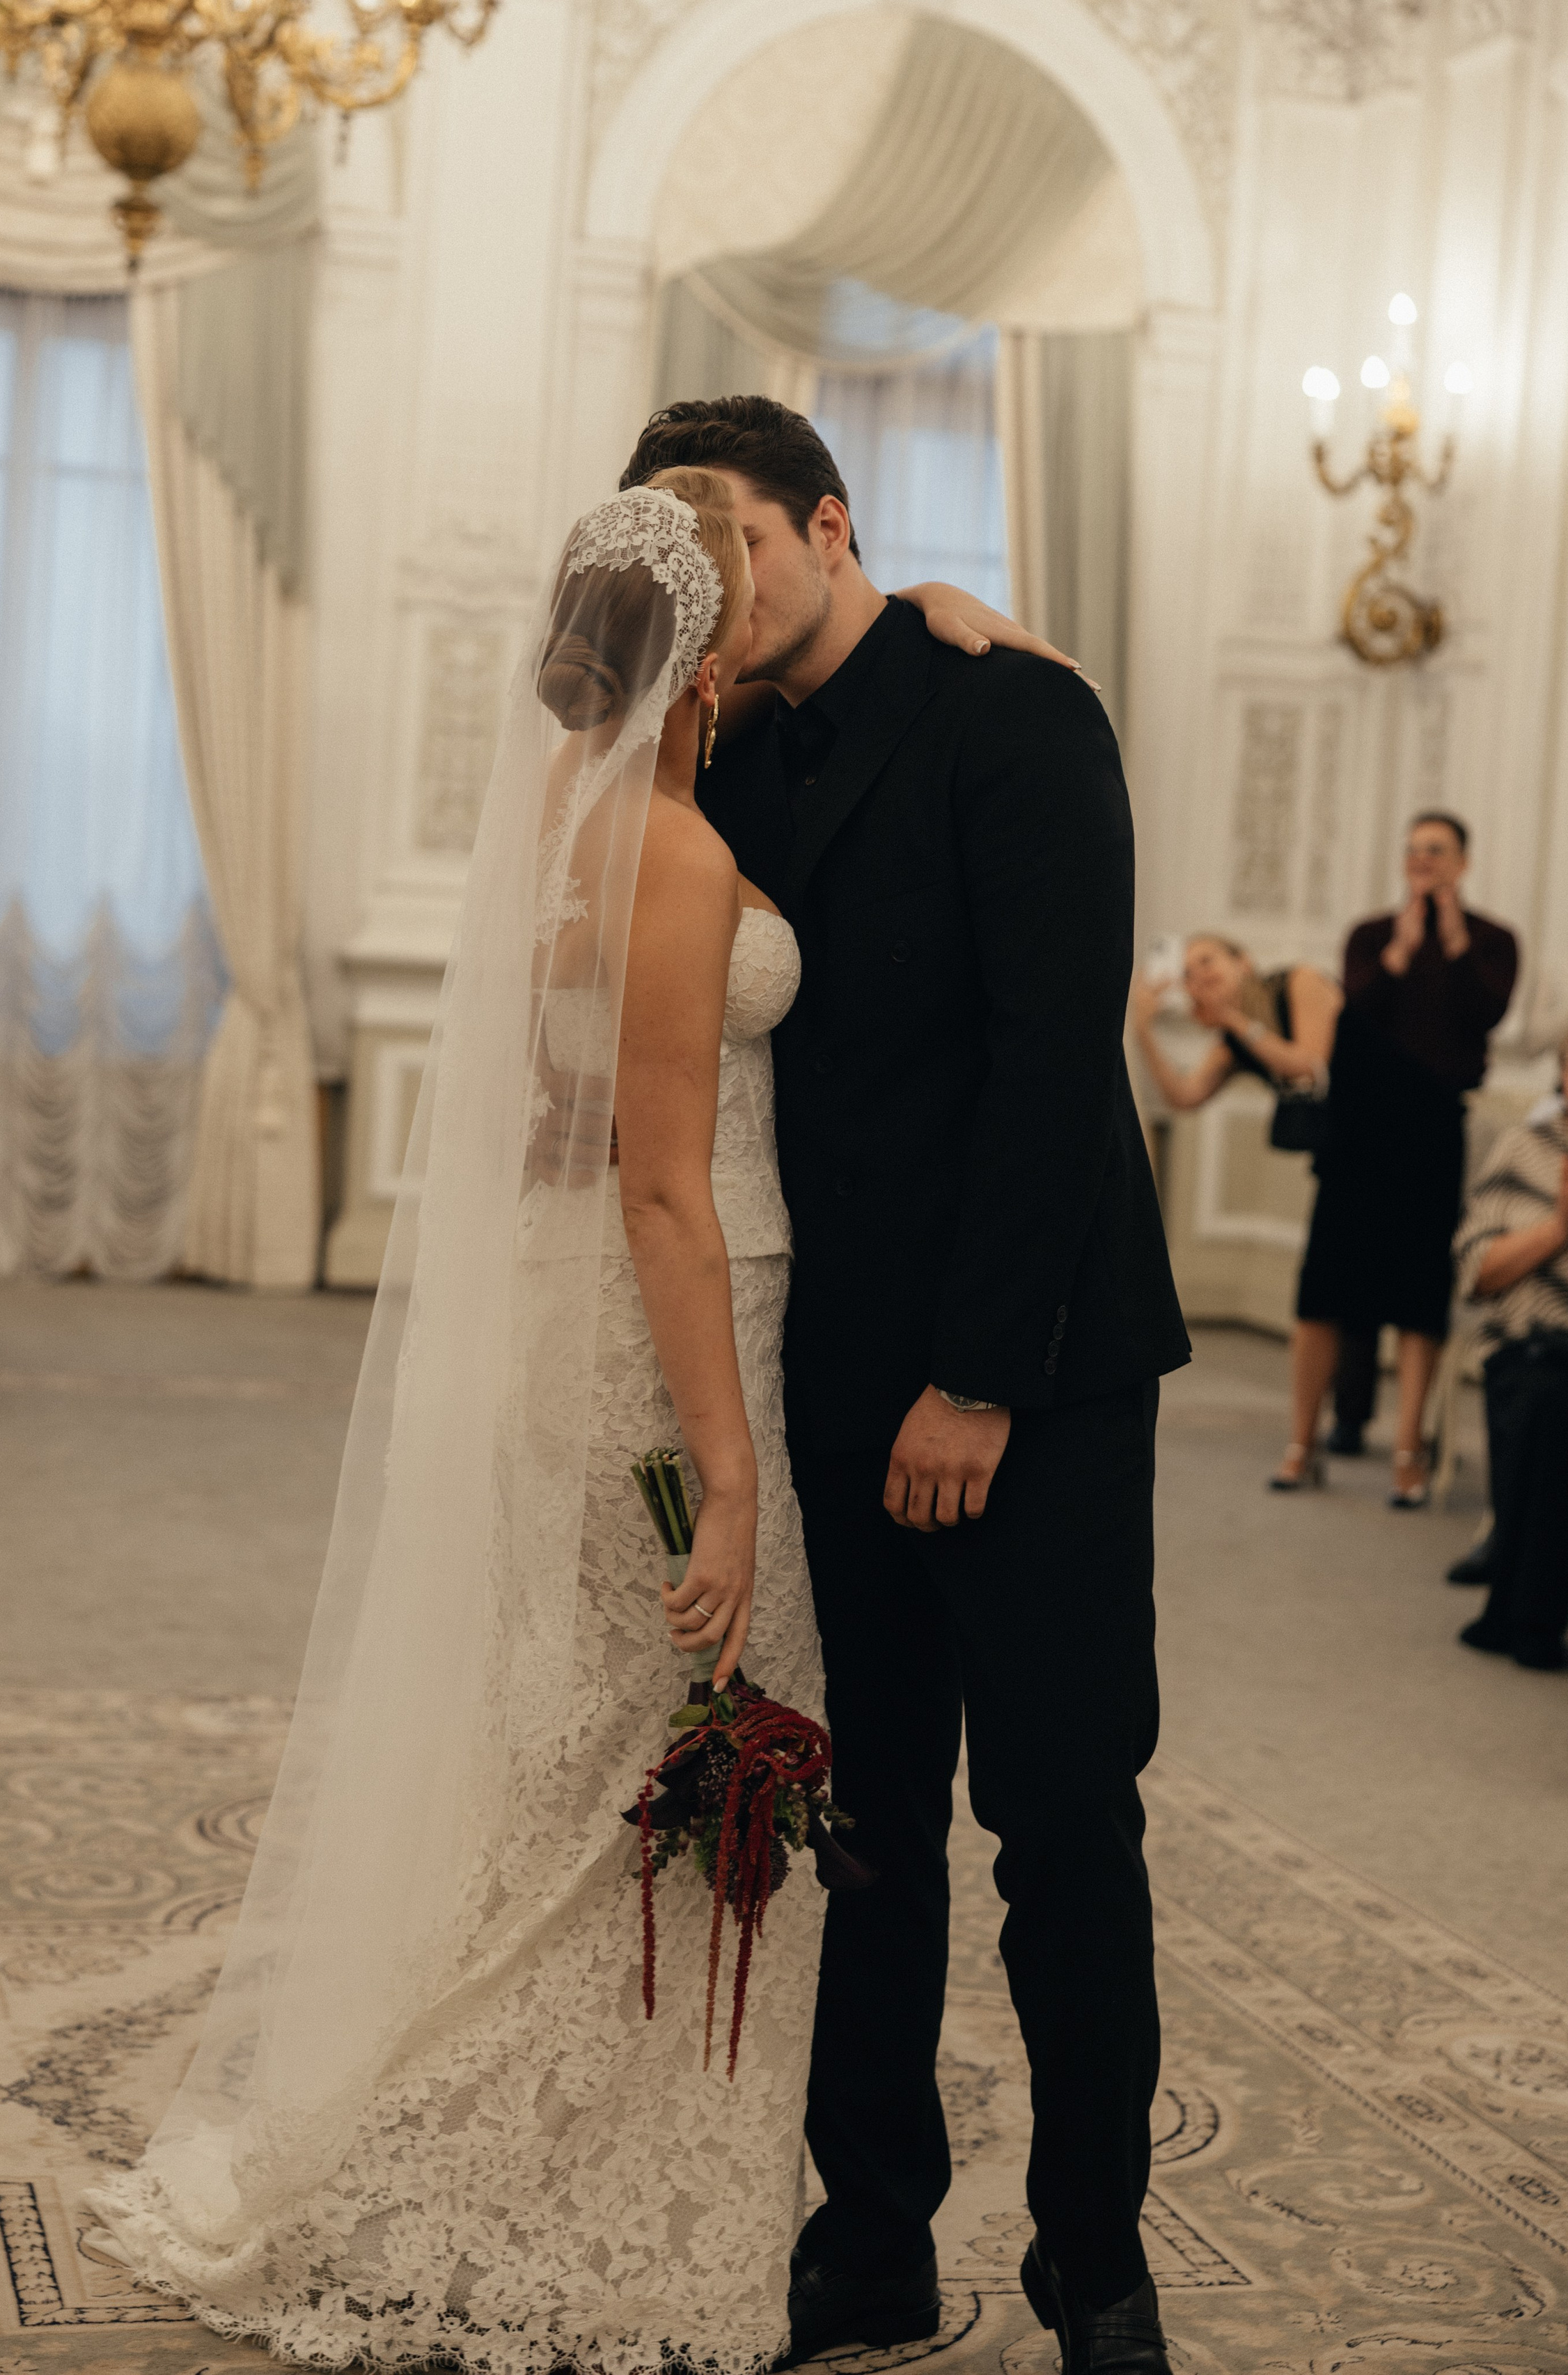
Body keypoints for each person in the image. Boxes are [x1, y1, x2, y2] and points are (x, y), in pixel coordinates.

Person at [84, 480, 1053, 2369]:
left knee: (569, 1744)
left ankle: (542, 2129)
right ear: (702, 651)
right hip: (682, 1331)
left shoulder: (555, 812)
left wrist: (947, 605)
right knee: (657, 1746)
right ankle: (579, 2181)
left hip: (561, 1329)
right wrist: (735, 1477)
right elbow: (665, 1192)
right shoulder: (681, 855)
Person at [621, 396, 1191, 2375]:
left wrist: (975, 1383)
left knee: (1062, 1825)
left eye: (746, 549)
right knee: (866, 1829)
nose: (721, 588)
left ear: (832, 527)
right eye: (689, 561)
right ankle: (870, 2241)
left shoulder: (1022, 717)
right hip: (832, 1373)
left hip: (1029, 1378)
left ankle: (1094, 2263)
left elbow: (1053, 1070)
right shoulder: (734, 755)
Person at [1275, 813, 1518, 1504]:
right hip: (1359, 1131)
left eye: (1435, 851)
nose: (1422, 861)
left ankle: (1409, 1454)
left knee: (1416, 1291)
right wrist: (1399, 954)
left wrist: (1450, 940)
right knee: (1325, 1285)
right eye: (1412, 851)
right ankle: (1304, 1443)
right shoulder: (1370, 935)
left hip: (1433, 1130)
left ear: (1461, 862)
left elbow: (1485, 1016)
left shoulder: (1493, 941)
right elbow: (1352, 1014)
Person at [1452, 1033, 1568, 1670]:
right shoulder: (1524, 1148)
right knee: (1548, 1403)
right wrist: (1558, 1229)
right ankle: (1528, 1618)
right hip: (1533, 1350)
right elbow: (1478, 1271)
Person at [1130, 933, 1339, 1113]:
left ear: (1243, 962)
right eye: (1188, 974)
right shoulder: (1235, 1037)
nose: (1199, 976)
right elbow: (1184, 1097)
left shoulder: (1300, 981)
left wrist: (1230, 1018)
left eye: (1206, 961)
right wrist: (1143, 1031)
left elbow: (1310, 1069)